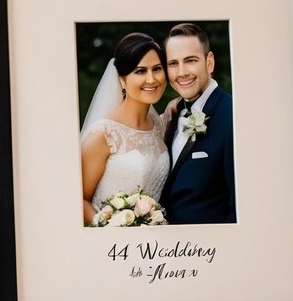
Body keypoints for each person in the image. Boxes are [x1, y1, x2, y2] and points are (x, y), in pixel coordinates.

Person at [80, 32, 170, 225]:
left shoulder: (160, 126)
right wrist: (108, 227)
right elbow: (79, 199)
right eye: (140, 71)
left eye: (157, 69)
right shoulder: (103, 134)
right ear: (122, 79)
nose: (151, 79)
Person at [159, 22, 236, 224]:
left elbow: (241, 209)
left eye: (190, 60)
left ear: (209, 62)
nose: (182, 72)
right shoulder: (173, 115)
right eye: (173, 64)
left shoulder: (234, 117)